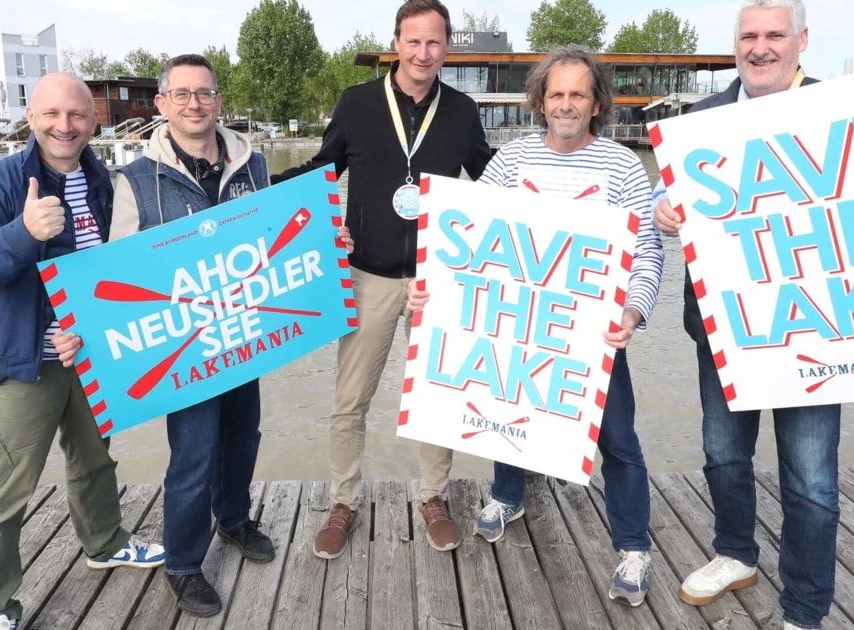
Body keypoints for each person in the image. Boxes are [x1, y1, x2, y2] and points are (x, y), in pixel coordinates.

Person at [651, 2, 854, 628]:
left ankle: (804, 606)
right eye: (749, 35)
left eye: (775, 34)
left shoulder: (851, 113)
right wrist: (667, 211)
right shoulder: (700, 119)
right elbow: (669, 199)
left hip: (819, 330)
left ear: (802, 40)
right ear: (736, 43)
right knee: (722, 455)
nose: (761, 46)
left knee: (810, 478)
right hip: (726, 331)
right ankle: (736, 553)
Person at [407, 46, 664, 606]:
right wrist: (433, 287)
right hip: (518, 323)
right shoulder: (510, 162)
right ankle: (508, 493)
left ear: (596, 103)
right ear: (540, 102)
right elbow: (471, 238)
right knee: (507, 402)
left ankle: (633, 545)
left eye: (578, 94)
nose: (566, 105)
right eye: (556, 95)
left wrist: (633, 312)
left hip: (594, 334)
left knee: (618, 440)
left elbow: (647, 252)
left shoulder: (623, 167)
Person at [55, 53, 275, 618]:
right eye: (182, 94)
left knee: (244, 436)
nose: (194, 104)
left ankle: (232, 520)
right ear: (162, 104)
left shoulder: (255, 166)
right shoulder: (134, 178)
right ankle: (182, 563)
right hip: (181, 345)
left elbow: (273, 240)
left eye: (204, 93)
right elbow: (114, 267)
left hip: (242, 330)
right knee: (194, 453)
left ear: (219, 100)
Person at [274, 0, 492, 559]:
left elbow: (494, 182)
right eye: (413, 41)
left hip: (437, 280)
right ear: (396, 42)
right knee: (351, 401)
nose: (423, 53)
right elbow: (322, 170)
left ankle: (433, 497)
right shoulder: (358, 104)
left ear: (448, 48)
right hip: (367, 274)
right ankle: (344, 501)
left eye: (435, 43)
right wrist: (257, 190)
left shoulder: (463, 110)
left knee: (437, 397)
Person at [0, 72, 165, 630]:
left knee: (95, 461)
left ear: (95, 121)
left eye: (76, 115)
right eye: (51, 114)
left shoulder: (107, 183)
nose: (64, 126)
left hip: (92, 356)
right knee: (5, 489)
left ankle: (105, 542)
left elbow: (119, 272)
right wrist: (22, 232)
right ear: (30, 116)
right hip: (23, 364)